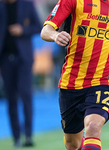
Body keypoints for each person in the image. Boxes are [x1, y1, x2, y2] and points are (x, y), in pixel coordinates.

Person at [41, 0, 109, 149]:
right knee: (72, 144)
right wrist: (55, 35)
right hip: (72, 80)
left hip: (104, 78)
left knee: (93, 126)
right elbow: (46, 30)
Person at [0, 0, 41, 147]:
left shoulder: (26, 4)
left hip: (23, 58)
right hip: (5, 58)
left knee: (26, 95)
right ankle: (16, 137)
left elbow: (38, 26)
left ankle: (28, 136)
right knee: (10, 98)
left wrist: (22, 29)